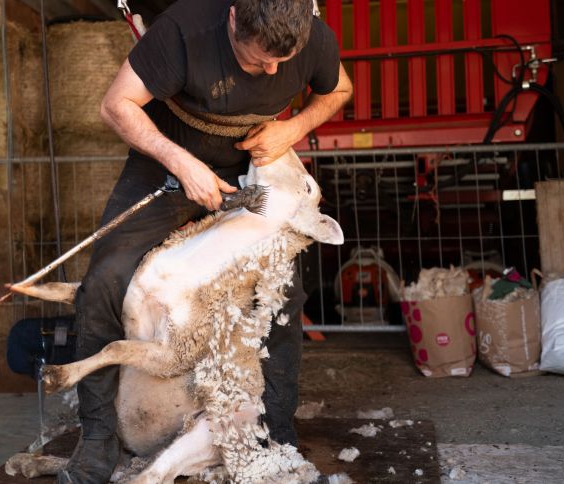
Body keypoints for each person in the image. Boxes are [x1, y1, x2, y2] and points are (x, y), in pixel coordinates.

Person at [59, 0, 352, 482]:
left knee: (282, 292)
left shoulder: (314, 36)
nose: (273, 70)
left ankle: (276, 427)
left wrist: (292, 128)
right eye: (258, 59)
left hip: (249, 171)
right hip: (168, 164)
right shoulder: (181, 32)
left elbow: (339, 88)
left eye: (283, 60)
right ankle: (97, 437)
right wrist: (180, 163)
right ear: (234, 18)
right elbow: (115, 105)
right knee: (105, 280)